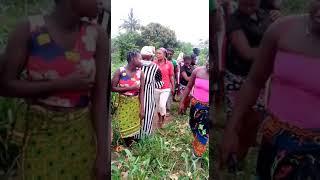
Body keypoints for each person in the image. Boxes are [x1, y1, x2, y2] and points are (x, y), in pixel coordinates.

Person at [0, 0, 108, 178]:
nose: (101, 2)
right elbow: (6, 85)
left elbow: (100, 99)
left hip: (80, 136)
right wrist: (60, 85)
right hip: (39, 134)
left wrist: (103, 155)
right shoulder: (29, 29)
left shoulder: (97, 36)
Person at [220, 0, 320, 179]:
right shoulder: (283, 29)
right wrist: (231, 129)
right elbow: (254, 81)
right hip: (274, 143)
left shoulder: (268, 19)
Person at [224, 0, 281, 120]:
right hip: (238, 76)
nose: (249, 4)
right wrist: (275, 49)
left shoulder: (266, 15)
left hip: (261, 74)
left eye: (253, 2)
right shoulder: (233, 20)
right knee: (238, 117)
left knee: (257, 116)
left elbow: (280, 37)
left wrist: (279, 23)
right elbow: (247, 52)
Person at [111, 51, 145, 147]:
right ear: (133, 59)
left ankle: (130, 145)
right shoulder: (120, 71)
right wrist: (130, 88)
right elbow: (112, 88)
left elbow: (142, 92)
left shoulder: (141, 73)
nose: (141, 61)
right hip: (123, 103)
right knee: (124, 123)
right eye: (140, 58)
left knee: (134, 123)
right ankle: (127, 144)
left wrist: (142, 108)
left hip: (135, 103)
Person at [179, 58, 209, 158]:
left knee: (203, 131)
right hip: (195, 105)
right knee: (193, 126)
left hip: (208, 109)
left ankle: (197, 156)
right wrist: (182, 102)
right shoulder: (197, 71)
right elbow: (188, 87)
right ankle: (198, 143)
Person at [134, 46, 164, 140]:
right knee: (148, 114)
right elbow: (159, 84)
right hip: (149, 96)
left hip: (135, 95)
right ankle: (145, 137)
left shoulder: (135, 65)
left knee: (135, 114)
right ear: (151, 56)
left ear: (141, 56)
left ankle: (134, 136)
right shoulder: (156, 68)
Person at [154, 48, 174, 128]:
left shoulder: (169, 64)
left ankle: (163, 119)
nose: (157, 55)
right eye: (156, 53)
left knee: (162, 105)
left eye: (159, 53)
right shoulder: (154, 63)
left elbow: (171, 76)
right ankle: (159, 119)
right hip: (156, 87)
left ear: (164, 54)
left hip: (165, 88)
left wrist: (173, 86)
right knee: (158, 107)